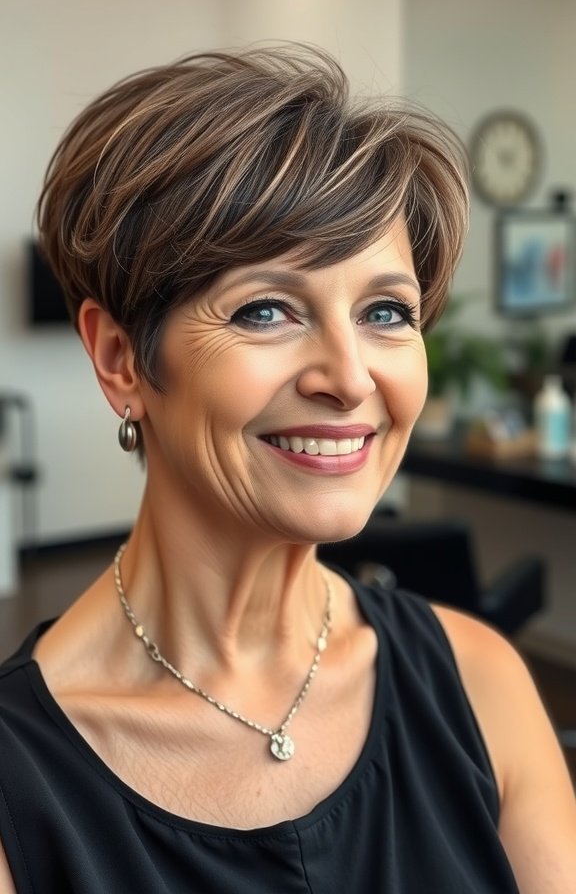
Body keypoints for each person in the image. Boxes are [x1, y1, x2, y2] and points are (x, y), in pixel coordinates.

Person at [0, 46, 574, 894]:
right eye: (266, 309)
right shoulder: (20, 785)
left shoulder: (480, 682)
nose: (348, 377)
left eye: (386, 312)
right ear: (121, 358)